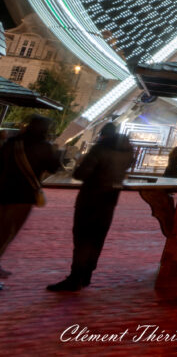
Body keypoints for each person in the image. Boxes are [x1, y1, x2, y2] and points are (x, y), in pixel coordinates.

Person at [47, 122, 134, 292]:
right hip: (110, 199)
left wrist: (81, 164)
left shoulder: (100, 149)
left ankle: (75, 278)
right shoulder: (128, 151)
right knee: (98, 238)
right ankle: (87, 275)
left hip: (91, 198)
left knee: (83, 239)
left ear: (103, 135)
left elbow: (81, 174)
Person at [0, 115, 61, 288]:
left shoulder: (13, 143)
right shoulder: (44, 147)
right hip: (23, 196)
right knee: (7, 233)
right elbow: (54, 167)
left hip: (3, 191)